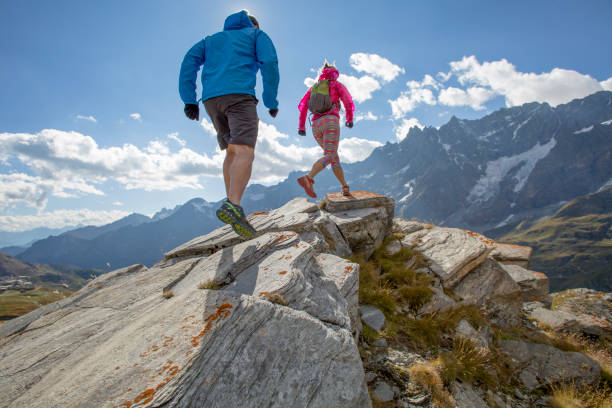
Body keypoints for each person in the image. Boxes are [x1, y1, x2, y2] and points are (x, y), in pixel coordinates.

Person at [179, 10, 279, 239]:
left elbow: (189, 62)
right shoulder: (256, 35)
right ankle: (233, 206)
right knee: (245, 150)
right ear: (253, 26)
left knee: (232, 151)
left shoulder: (210, 41)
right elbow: (270, 63)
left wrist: (188, 99)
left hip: (211, 101)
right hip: (239, 96)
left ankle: (231, 203)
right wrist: (270, 101)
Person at [297, 63, 355, 198]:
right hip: (330, 122)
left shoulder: (314, 88)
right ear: (335, 72)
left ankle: (344, 187)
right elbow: (348, 101)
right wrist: (349, 118)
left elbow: (303, 106)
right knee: (330, 155)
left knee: (333, 156)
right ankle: (308, 178)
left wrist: (301, 126)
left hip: (315, 125)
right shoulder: (336, 84)